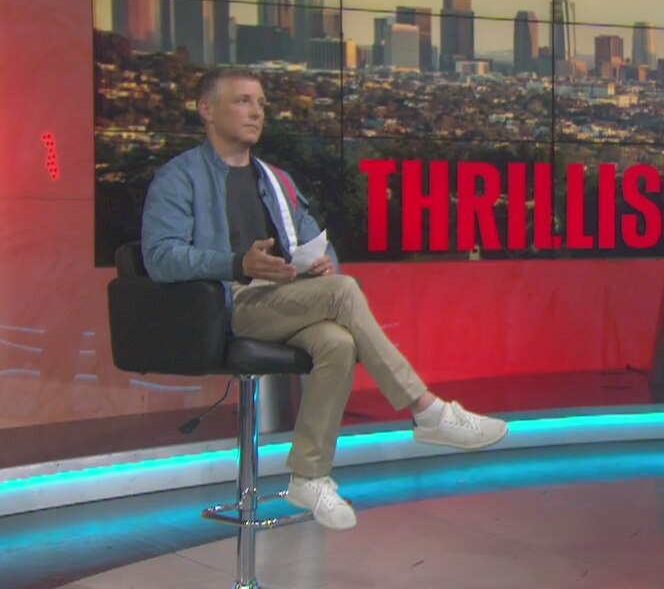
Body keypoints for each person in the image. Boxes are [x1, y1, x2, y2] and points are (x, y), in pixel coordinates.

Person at [141, 67, 508, 531]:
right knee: (344, 291)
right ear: (207, 110)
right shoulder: (180, 178)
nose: (256, 112)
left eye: (261, 104)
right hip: (225, 304)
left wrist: (322, 265)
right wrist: (237, 263)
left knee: (337, 342)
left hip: (283, 298)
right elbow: (160, 258)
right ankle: (427, 411)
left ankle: (309, 477)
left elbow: (317, 242)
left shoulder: (275, 180)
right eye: (242, 101)